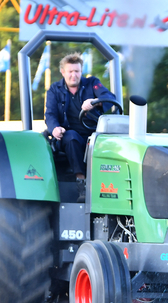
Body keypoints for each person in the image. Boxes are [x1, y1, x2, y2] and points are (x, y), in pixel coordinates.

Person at [45, 52, 116, 202]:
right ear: (63, 72)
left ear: (81, 71)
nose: (73, 75)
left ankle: (112, 186)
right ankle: (81, 182)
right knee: (71, 137)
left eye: (76, 71)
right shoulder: (54, 90)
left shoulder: (92, 83)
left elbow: (109, 98)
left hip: (93, 134)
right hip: (68, 136)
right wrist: (55, 128)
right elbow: (50, 115)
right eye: (70, 71)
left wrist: (95, 101)